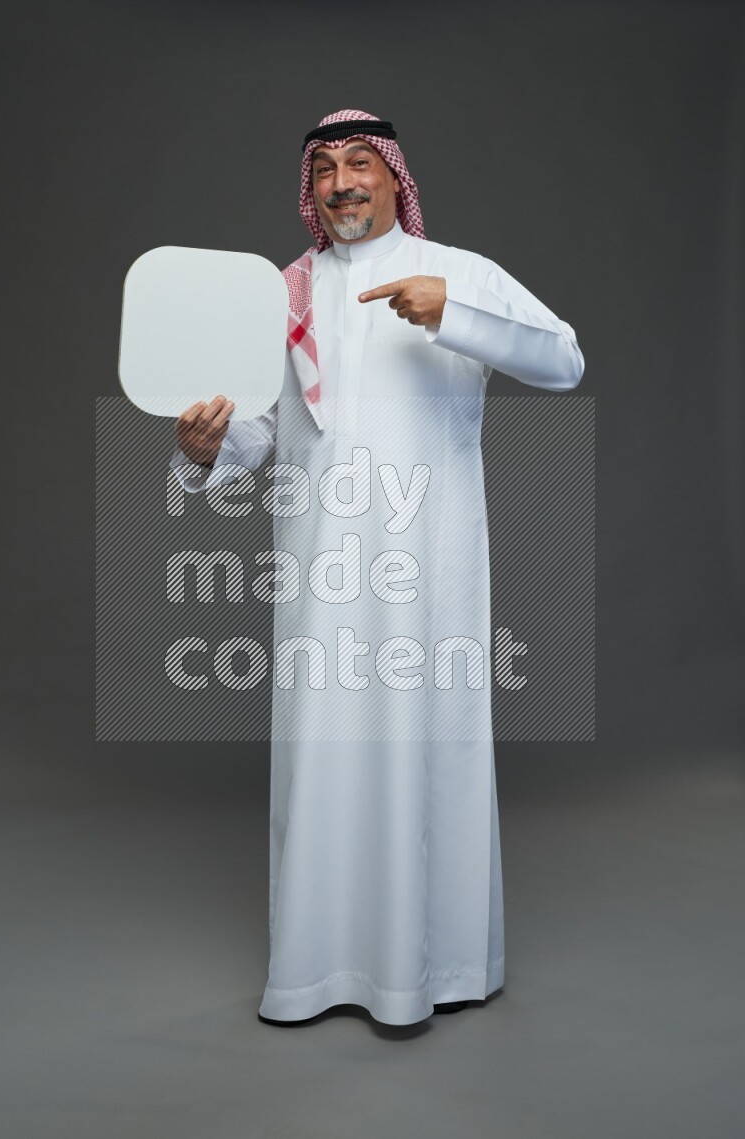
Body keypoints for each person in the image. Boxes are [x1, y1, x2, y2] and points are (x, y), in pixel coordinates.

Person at [169, 109, 585, 1025]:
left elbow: (562, 361)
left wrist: (458, 318)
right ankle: (315, 973)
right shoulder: (281, 294)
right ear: (310, 189)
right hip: (317, 578)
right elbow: (262, 435)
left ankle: (433, 971)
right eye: (323, 168)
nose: (342, 181)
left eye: (361, 163)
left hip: (428, 583)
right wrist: (204, 450)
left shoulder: (458, 274)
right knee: (323, 758)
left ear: (397, 178)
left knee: (427, 751)